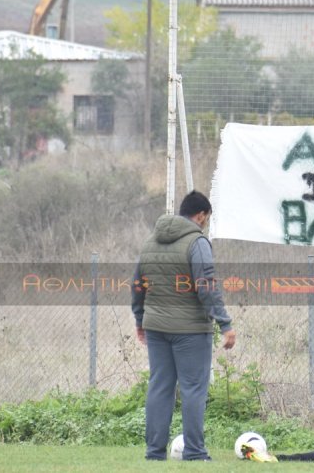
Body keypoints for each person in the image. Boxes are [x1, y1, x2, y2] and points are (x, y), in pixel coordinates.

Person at [132, 190, 236, 461]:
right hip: (190, 330)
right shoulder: (197, 242)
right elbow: (206, 286)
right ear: (200, 215)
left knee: (160, 387)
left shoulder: (149, 242)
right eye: (207, 218)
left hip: (155, 327)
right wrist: (225, 323)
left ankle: (154, 453)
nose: (206, 223)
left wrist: (139, 319)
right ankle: (195, 452)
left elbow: (138, 285)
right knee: (192, 389)